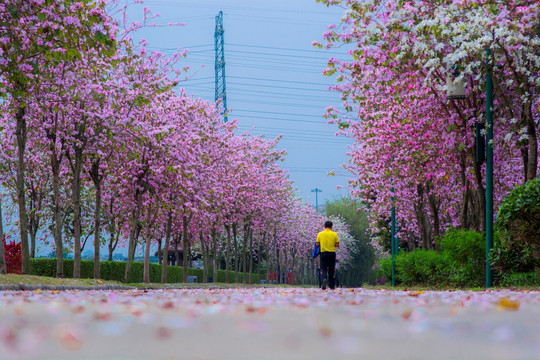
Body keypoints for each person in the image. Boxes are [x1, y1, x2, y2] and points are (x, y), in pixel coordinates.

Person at [316, 220, 339, 290]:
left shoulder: (320, 234)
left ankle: (324, 279)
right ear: (331, 227)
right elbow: (337, 245)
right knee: (331, 269)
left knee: (323, 268)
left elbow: (317, 244)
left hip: (323, 253)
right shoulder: (334, 234)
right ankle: (331, 285)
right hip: (332, 254)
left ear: (324, 226)